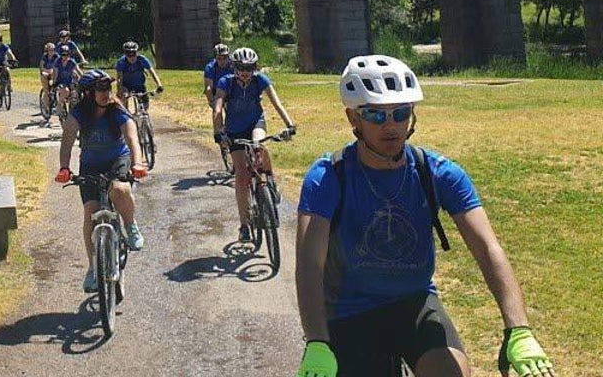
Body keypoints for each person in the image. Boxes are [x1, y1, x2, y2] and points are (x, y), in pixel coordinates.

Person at [294, 56, 556, 377]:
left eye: (400, 113)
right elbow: (310, 264)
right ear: (353, 118)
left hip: (414, 303)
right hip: (348, 310)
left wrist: (518, 329)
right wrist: (317, 341)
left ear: (412, 116)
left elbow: (488, 249)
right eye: (375, 114)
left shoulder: (437, 173)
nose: (390, 125)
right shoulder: (328, 177)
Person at [55, 69, 149, 291]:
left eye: (108, 88)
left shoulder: (115, 109)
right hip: (91, 164)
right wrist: (64, 168)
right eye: (101, 89)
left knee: (119, 189)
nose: (106, 93)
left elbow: (131, 135)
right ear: (88, 93)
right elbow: (67, 140)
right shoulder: (79, 113)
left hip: (118, 159)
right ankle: (93, 268)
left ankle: (130, 224)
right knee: (90, 211)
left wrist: (137, 162)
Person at [212, 46, 295, 242]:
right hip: (234, 129)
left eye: (249, 68)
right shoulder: (226, 82)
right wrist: (219, 132)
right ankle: (244, 225)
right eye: (241, 67)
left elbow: (277, 103)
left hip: (255, 122)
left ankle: (269, 181)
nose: (245, 71)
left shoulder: (260, 80)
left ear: (255, 68)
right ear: (235, 67)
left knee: (259, 143)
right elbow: (217, 109)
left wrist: (290, 125)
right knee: (241, 177)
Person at [115, 40, 163, 110]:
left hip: (140, 86)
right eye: (128, 54)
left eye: (133, 53)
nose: (131, 57)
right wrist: (119, 90)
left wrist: (159, 85)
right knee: (124, 102)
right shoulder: (121, 62)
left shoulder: (142, 60)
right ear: (125, 54)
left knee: (145, 108)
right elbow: (119, 78)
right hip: (126, 86)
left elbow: (153, 73)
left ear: (136, 52)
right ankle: (126, 117)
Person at [204, 43, 234, 152]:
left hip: (230, 90)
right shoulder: (210, 67)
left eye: (225, 58)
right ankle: (218, 133)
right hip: (217, 91)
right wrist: (212, 101)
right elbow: (208, 88)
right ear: (215, 57)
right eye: (219, 58)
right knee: (217, 111)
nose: (222, 61)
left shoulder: (233, 65)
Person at [51, 44, 83, 118]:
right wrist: (54, 83)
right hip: (60, 83)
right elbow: (55, 73)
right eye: (63, 54)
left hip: (69, 82)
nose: (65, 56)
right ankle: (59, 105)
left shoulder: (72, 62)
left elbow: (78, 71)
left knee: (77, 92)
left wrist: (84, 78)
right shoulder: (57, 62)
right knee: (66, 91)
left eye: (66, 54)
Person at [38, 41, 60, 121]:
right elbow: (41, 67)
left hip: (54, 74)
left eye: (53, 49)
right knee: (46, 90)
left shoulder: (56, 56)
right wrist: (47, 71)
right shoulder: (45, 56)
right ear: (47, 50)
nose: (51, 51)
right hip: (46, 74)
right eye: (50, 50)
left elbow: (59, 64)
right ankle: (46, 105)